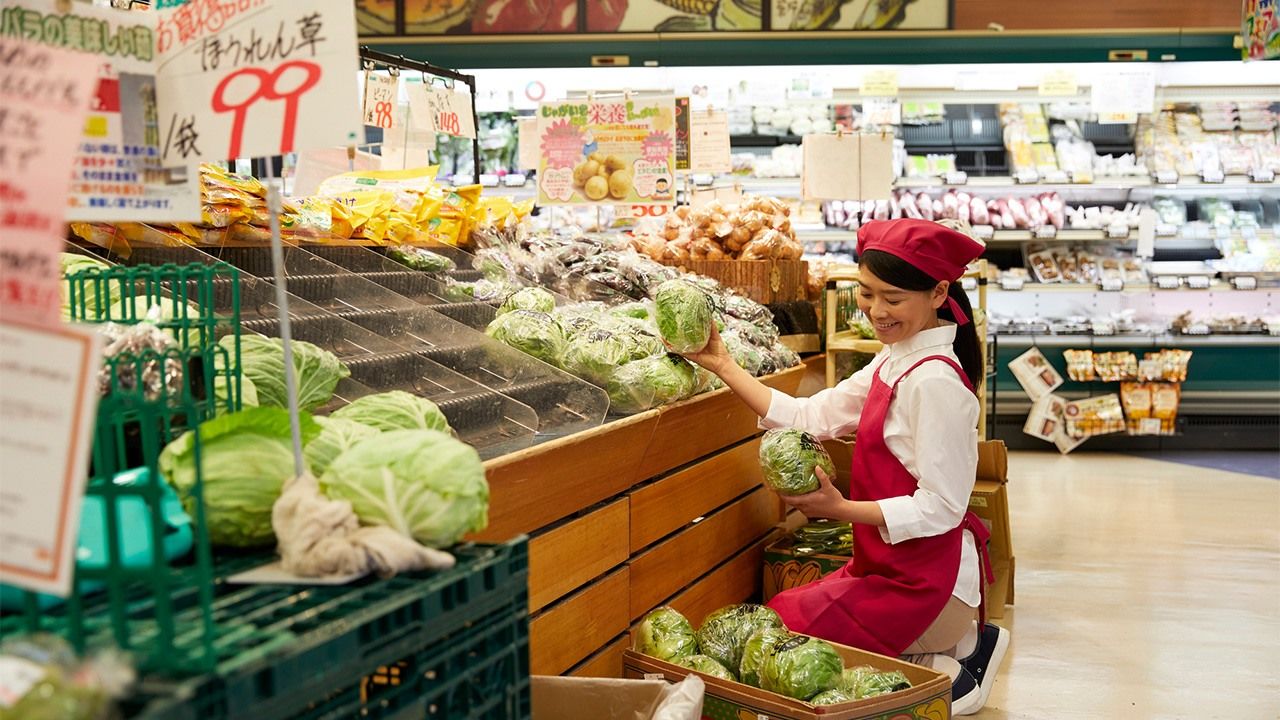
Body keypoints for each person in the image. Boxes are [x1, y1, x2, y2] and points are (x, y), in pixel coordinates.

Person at [682, 219, 1009, 715]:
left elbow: (943, 508)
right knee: (780, 618)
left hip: (929, 584)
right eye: (866, 293)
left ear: (939, 292)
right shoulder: (894, 359)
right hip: (887, 568)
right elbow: (811, 416)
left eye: (893, 298)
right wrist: (724, 364)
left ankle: (947, 673)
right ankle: (956, 648)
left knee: (779, 639)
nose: (876, 311)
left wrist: (841, 508)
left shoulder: (936, 385)